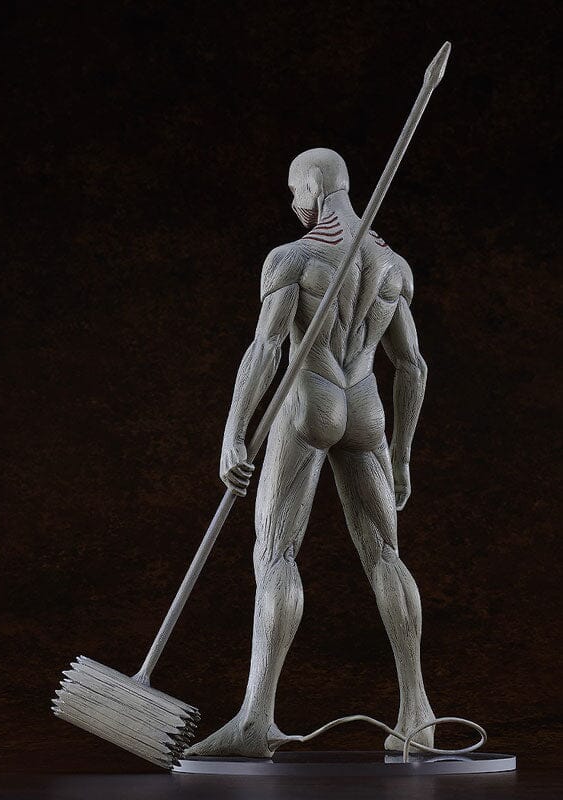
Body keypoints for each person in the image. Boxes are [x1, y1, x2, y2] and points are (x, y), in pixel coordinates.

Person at [186, 148, 435, 757]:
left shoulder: (292, 259)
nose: (293, 203)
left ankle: (255, 720)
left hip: (311, 400)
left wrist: (233, 431)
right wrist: (402, 453)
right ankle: (418, 714)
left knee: (276, 553)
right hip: (365, 406)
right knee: (386, 553)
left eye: (295, 191)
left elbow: (266, 348)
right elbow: (412, 366)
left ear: (315, 187)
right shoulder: (394, 265)